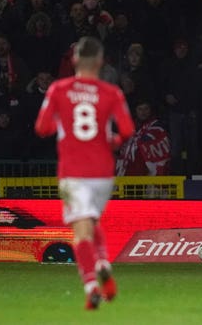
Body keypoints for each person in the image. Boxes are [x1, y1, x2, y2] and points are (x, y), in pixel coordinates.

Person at [34, 36, 135, 310]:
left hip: (73, 171)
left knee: (81, 232)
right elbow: (127, 131)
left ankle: (91, 285)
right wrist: (111, 141)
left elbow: (42, 128)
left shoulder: (59, 89)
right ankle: (102, 261)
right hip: (103, 172)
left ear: (75, 60)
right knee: (90, 220)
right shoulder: (112, 93)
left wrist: (63, 126)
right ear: (100, 62)